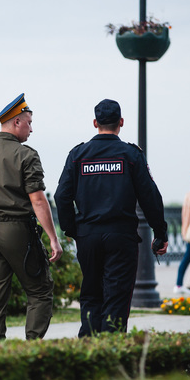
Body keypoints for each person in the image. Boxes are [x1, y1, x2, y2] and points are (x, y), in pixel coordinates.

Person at [54, 99, 168, 338]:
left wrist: (72, 229)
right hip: (121, 237)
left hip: (88, 236)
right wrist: (160, 233)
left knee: (91, 294)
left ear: (95, 123)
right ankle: (111, 350)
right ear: (121, 123)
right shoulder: (130, 154)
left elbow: (61, 196)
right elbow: (150, 196)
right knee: (116, 297)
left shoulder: (78, 155)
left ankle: (88, 350)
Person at [0, 93, 63, 341]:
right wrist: (53, 238)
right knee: (39, 290)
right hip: (16, 230)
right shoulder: (26, 155)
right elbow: (38, 200)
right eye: (29, 122)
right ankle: (31, 347)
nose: (31, 128)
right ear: (17, 122)